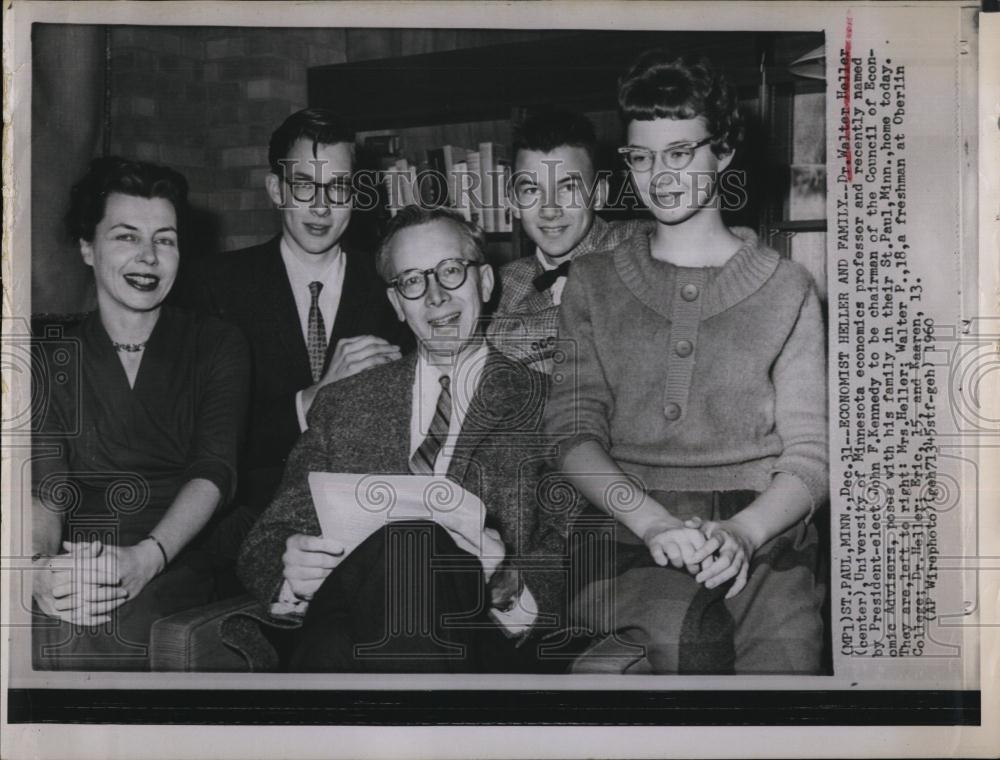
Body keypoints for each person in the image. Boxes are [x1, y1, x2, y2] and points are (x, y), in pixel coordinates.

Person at [544, 52, 828, 674]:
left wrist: (745, 535)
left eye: (680, 153)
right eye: (641, 157)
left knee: (784, 677)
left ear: (722, 153)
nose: (659, 176)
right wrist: (649, 522)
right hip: (626, 525)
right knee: (674, 647)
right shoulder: (592, 283)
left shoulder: (789, 290)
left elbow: (812, 457)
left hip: (762, 534)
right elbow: (570, 433)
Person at [238, 206, 572, 673]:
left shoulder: (550, 408)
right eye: (412, 281)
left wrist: (509, 580)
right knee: (397, 557)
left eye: (451, 272)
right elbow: (266, 539)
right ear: (397, 304)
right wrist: (290, 572)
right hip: (350, 615)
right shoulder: (343, 403)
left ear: (486, 284)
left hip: (479, 636)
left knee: (407, 551)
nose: (435, 297)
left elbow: (576, 546)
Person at [31, 157, 250, 671]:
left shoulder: (218, 345)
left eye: (166, 240)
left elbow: (214, 471)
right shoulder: (49, 357)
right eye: (126, 237)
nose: (149, 257)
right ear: (88, 247)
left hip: (177, 555)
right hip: (80, 555)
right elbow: (44, 486)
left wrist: (145, 558)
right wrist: (38, 569)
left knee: (91, 632)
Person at [191, 108, 411, 520]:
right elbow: (207, 441)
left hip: (370, 516)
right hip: (251, 520)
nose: (322, 207)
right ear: (275, 189)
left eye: (338, 188)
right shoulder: (216, 286)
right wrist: (314, 399)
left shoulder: (393, 285)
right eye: (304, 186)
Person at [487, 108, 650, 373]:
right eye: (531, 190)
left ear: (599, 194)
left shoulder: (642, 244)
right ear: (513, 202)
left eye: (568, 188)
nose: (550, 210)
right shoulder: (499, 287)